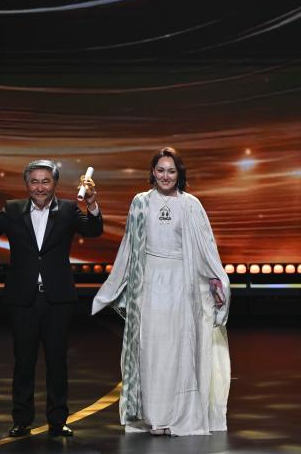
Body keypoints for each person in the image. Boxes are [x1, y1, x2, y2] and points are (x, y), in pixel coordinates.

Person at [93, 147, 230, 436]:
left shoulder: (191, 205)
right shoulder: (140, 202)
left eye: (171, 171)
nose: (165, 176)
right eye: (160, 170)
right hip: (149, 285)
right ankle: (154, 417)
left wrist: (218, 281)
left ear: (179, 174)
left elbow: (206, 248)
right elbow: (129, 246)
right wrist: (116, 288)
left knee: (178, 351)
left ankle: (177, 416)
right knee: (151, 350)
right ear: (152, 173)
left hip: (182, 285)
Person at [0, 159, 102, 437]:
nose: (40, 187)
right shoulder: (13, 209)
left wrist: (92, 204)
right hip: (23, 298)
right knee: (23, 362)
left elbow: (93, 230)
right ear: (26, 184)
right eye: (34, 181)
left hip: (57, 299)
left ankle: (57, 420)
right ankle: (22, 420)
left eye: (45, 181)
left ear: (55, 184)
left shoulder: (68, 209)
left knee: (57, 362)